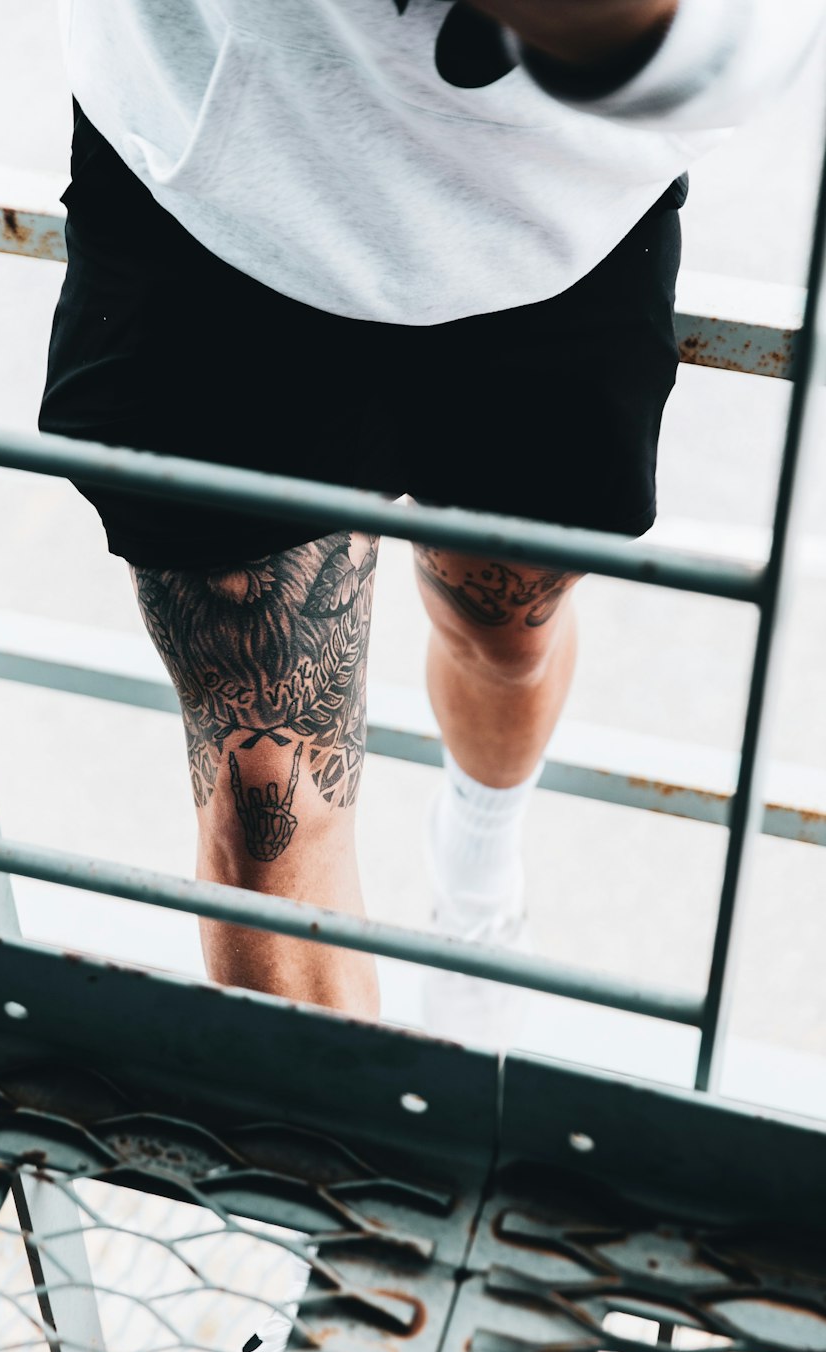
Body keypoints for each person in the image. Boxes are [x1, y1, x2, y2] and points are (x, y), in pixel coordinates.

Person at [40, 0, 824, 1043]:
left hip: (559, 218)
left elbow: (721, 49)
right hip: (213, 202)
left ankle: (476, 872)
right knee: (263, 782)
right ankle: (335, 1185)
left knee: (506, 631)